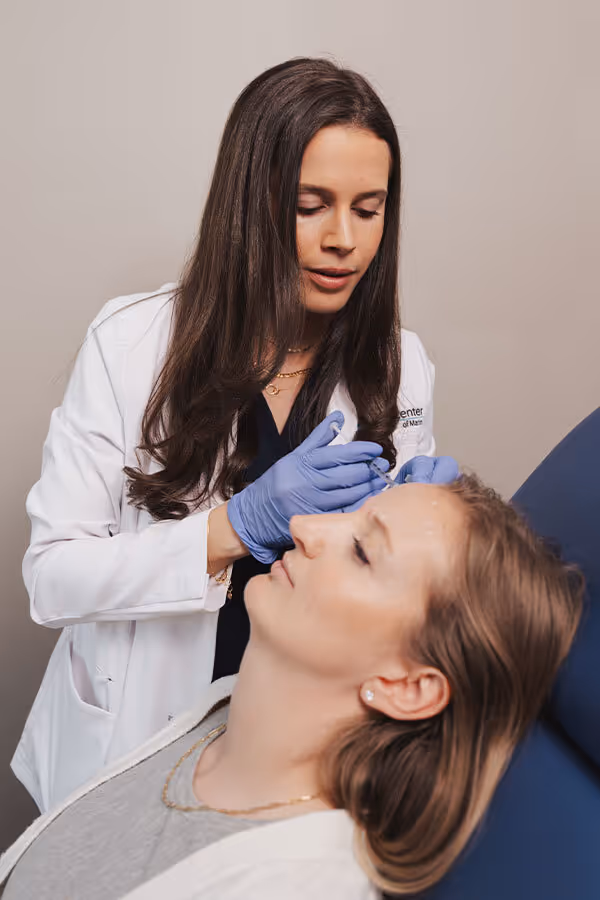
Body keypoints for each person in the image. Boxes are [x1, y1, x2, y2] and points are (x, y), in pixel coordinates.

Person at [13, 56, 459, 813]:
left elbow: (387, 598)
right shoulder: (133, 342)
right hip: (136, 732)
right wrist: (233, 528)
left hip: (293, 749)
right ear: (251, 203)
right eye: (310, 204)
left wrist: (428, 540)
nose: (343, 239)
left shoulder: (400, 366)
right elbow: (51, 579)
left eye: (369, 207)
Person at [0, 476, 582, 900]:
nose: (302, 526)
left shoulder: (297, 883)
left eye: (361, 550)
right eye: (354, 514)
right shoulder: (215, 717)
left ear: (407, 686)